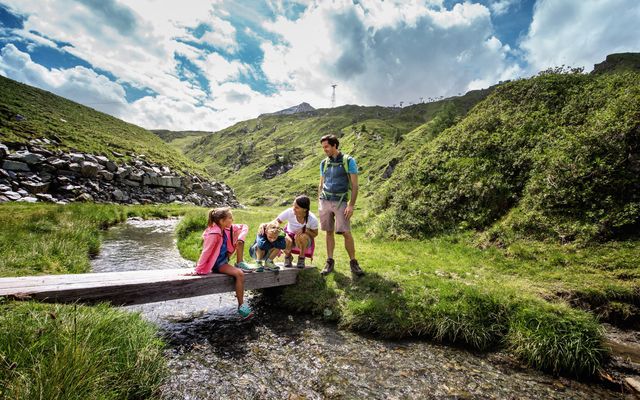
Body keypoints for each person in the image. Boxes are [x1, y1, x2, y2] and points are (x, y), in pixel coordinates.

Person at [192, 207, 254, 319]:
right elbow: (206, 252)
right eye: (230, 218)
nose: (232, 219)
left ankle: (241, 304)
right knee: (239, 274)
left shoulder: (225, 229)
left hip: (223, 261)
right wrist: (198, 269)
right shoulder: (214, 233)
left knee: (239, 273)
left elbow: (244, 226)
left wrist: (240, 238)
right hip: (217, 264)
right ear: (221, 221)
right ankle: (241, 306)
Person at [318, 134, 364, 277]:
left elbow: (355, 186)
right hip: (325, 201)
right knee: (329, 232)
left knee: (346, 232)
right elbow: (321, 183)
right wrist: (319, 200)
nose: (324, 149)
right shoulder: (323, 163)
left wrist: (351, 205)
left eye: (326, 146)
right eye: (323, 147)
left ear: (334, 145)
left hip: (341, 202)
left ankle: (353, 262)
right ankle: (330, 261)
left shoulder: (348, 161)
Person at [263, 195, 319, 269]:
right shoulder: (289, 212)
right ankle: (288, 256)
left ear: (304, 209)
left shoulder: (312, 219)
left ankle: (301, 257)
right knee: (283, 238)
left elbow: (315, 234)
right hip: (289, 235)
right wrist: (265, 225)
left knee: (302, 236)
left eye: (297, 207)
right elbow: (276, 221)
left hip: (303, 239)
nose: (293, 209)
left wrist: (305, 230)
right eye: (293, 206)